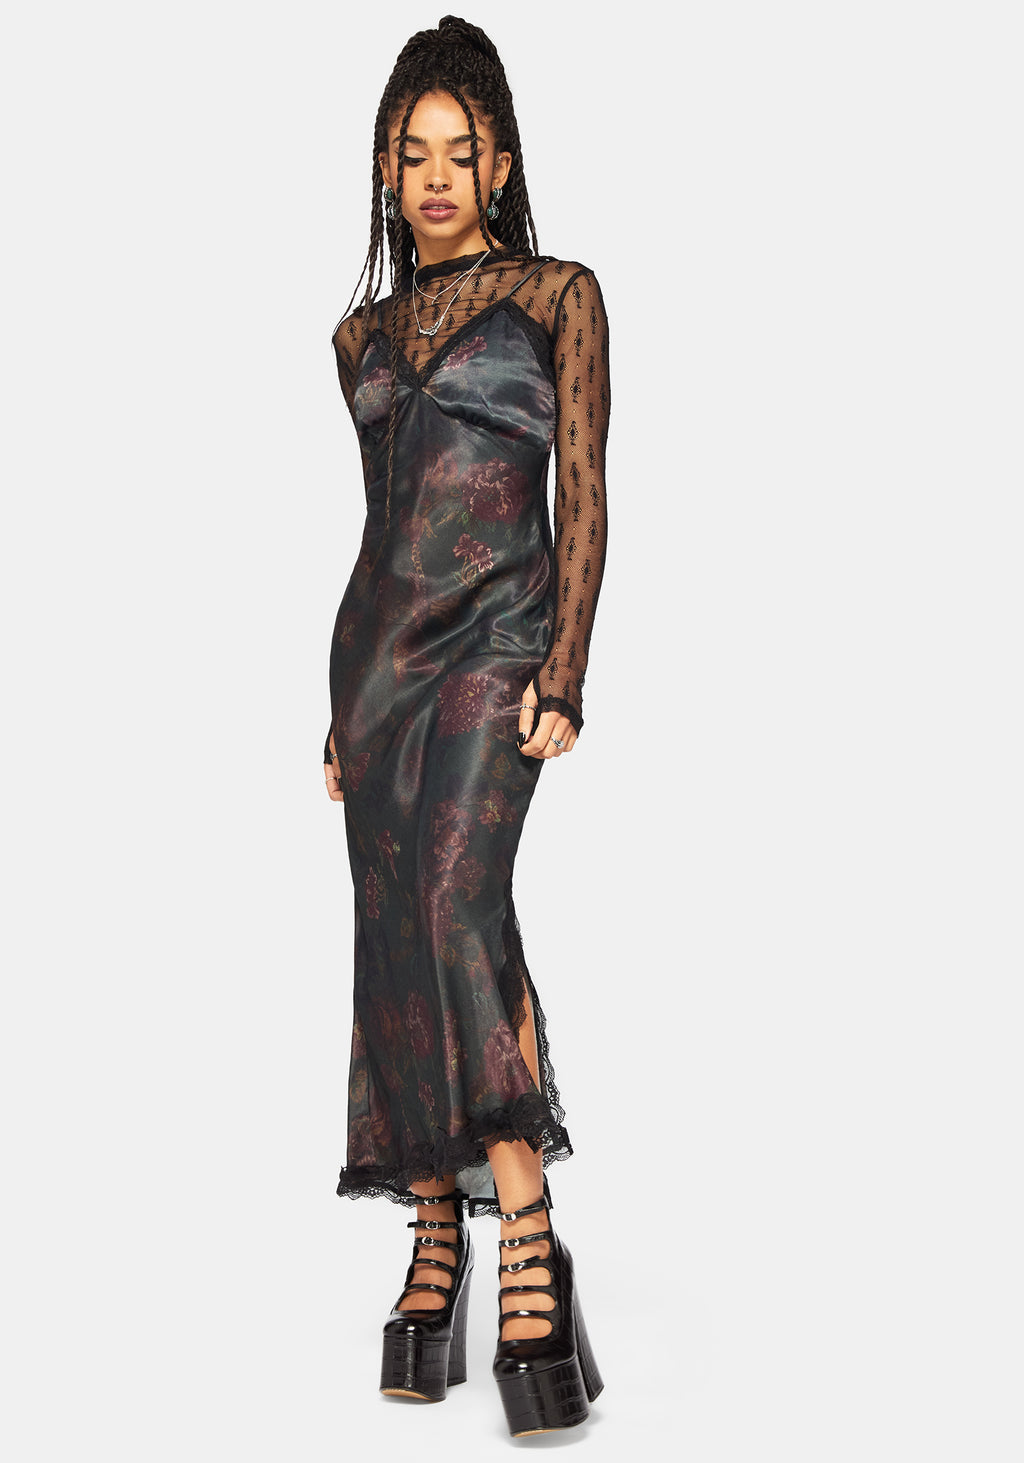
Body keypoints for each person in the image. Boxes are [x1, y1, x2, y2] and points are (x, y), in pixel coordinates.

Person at [321, 14, 609, 1437]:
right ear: (387, 169)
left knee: (455, 900)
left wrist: (566, 671)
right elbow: (381, 527)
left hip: (501, 643)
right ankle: (434, 1233)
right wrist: (333, 712)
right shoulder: (358, 337)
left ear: (499, 162)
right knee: (392, 927)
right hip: (376, 667)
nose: (436, 174)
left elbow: (587, 496)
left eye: (461, 149)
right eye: (412, 151)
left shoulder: (561, 296)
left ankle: (527, 1229)